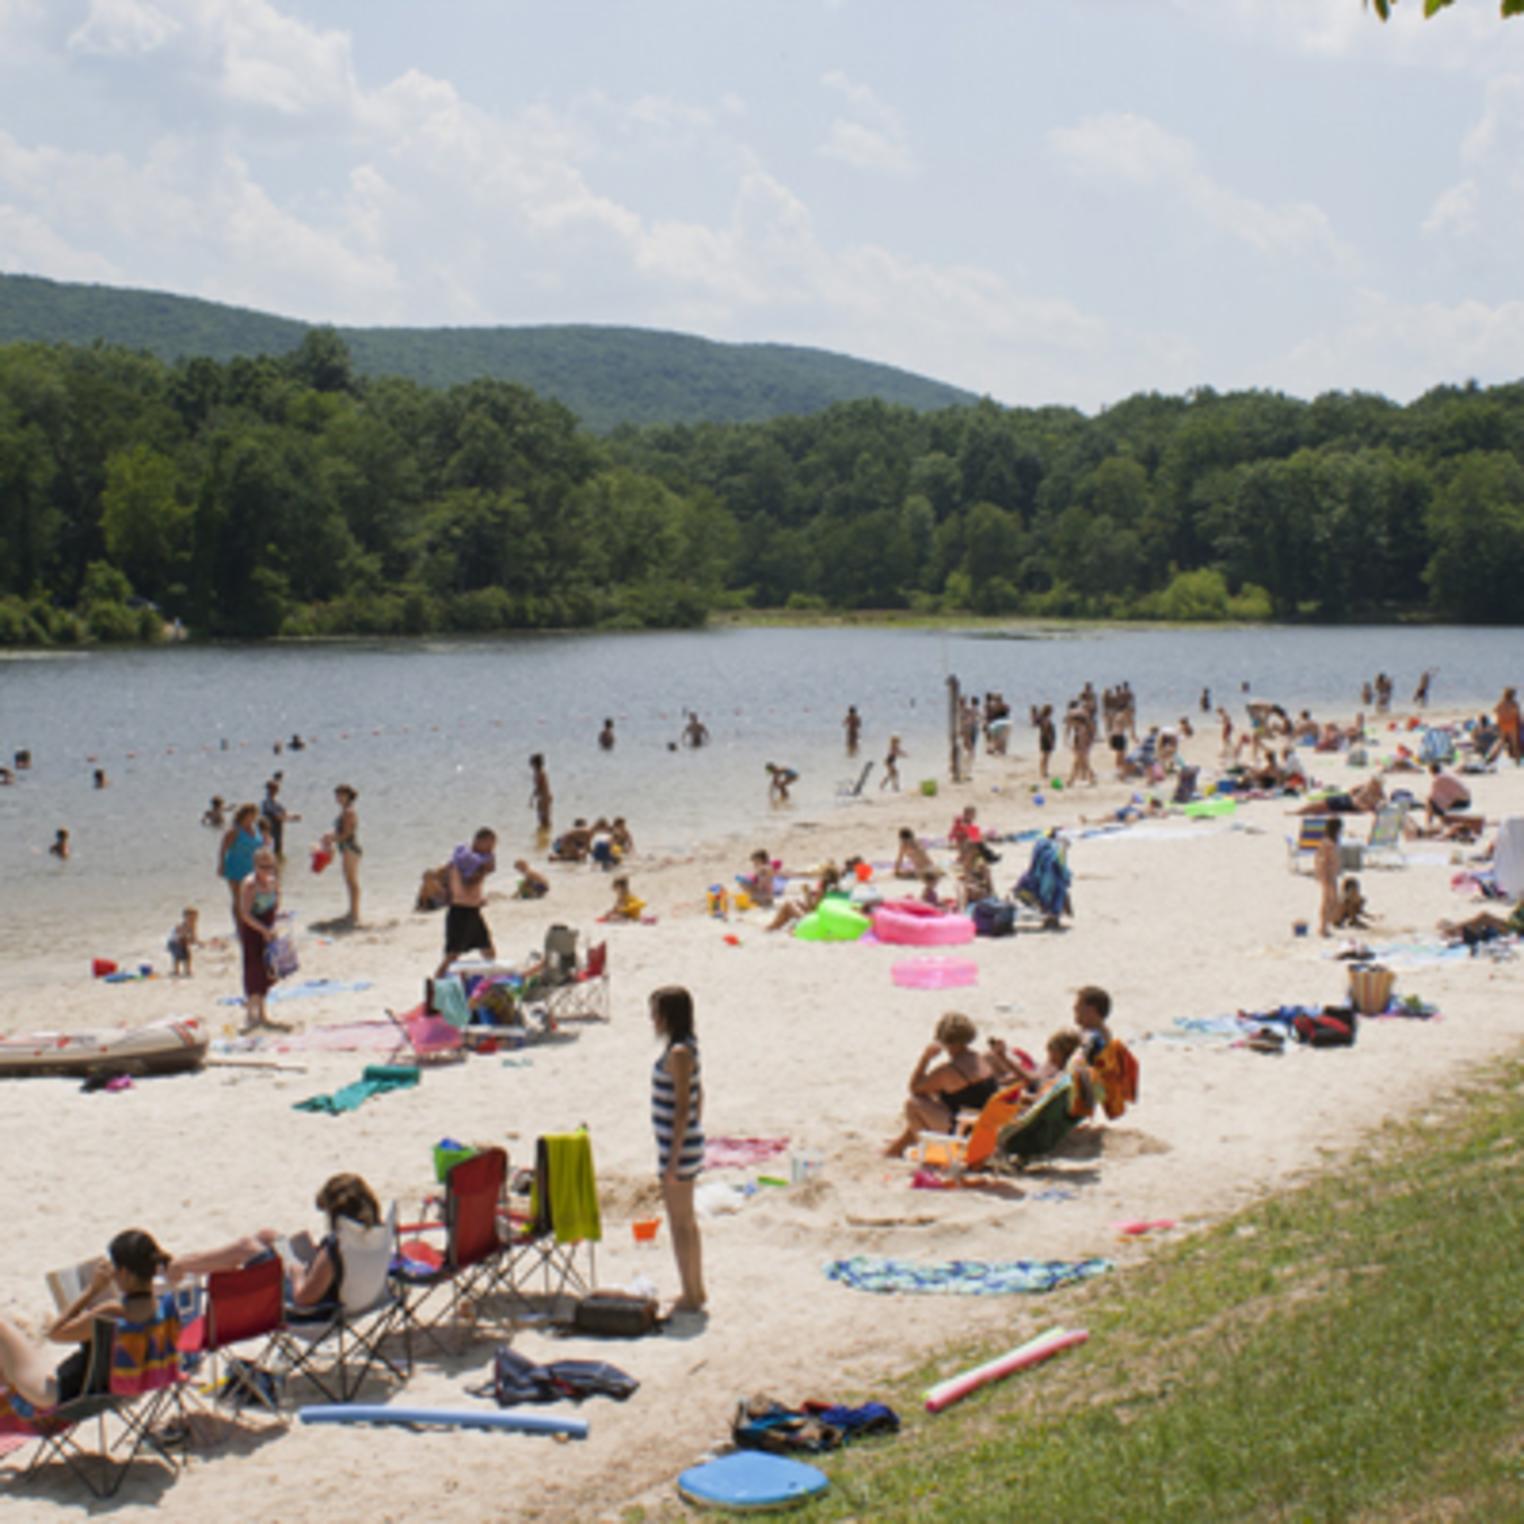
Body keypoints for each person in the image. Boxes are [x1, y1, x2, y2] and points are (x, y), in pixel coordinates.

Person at [0, 1230, 174, 1420]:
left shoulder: (112, 1313)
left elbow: (54, 1333)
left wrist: (92, 1290)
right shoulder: (165, 1304)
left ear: (124, 1272)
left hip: (64, 1397)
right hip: (121, 1391)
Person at [167, 1174, 382, 1323]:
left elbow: (303, 1299)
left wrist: (297, 1273)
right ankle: (185, 1265)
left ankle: (181, 1267)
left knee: (248, 1246)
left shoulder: (336, 1247)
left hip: (314, 1312)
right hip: (354, 1297)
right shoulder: (374, 1234)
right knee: (268, 1236)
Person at [650, 986, 705, 1315]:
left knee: (680, 1223)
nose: (653, 1020)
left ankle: (691, 1292)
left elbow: (684, 1107)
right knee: (686, 1222)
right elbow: (700, 1094)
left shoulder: (680, 1053)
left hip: (678, 1148)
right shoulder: (683, 1048)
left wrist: (673, 1157)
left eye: (656, 1012)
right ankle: (696, 1288)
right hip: (680, 1144)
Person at [884, 1012, 1001, 1158]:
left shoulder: (949, 1071)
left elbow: (914, 1088)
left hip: (966, 1131)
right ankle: (898, 1146)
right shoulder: (981, 1058)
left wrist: (925, 1058)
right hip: (987, 1129)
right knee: (935, 1100)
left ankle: (927, 1153)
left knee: (913, 1104)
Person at [237, 847, 287, 1031]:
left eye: (270, 866)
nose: (267, 870)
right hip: (253, 930)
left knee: (268, 971)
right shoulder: (250, 884)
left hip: (268, 928)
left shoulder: (274, 883)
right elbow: (245, 914)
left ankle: (264, 1012)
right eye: (262, 866)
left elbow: (276, 905)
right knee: (253, 970)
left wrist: (277, 923)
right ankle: (251, 1013)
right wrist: (263, 929)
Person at [437, 828, 496, 976]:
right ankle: (436, 985)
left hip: (473, 911)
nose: (491, 849)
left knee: (488, 951)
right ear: (478, 841)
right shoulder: (466, 860)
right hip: (460, 912)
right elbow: (469, 882)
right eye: (489, 845)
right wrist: (484, 869)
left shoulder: (479, 860)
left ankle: (488, 984)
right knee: (452, 956)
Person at [216, 801, 260, 922]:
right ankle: (239, 925)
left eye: (255, 815)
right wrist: (221, 865)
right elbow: (223, 849)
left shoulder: (255, 829)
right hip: (235, 867)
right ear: (243, 815)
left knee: (252, 897)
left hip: (252, 867)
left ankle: (250, 922)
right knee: (238, 899)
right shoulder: (234, 831)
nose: (253, 818)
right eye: (251, 815)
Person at [325, 784, 362, 924]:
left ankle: (354, 914)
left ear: (348, 796)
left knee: (352, 881)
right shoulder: (345, 811)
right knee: (349, 881)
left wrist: (331, 839)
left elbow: (346, 834)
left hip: (350, 848)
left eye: (341, 795)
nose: (338, 798)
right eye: (337, 795)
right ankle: (352, 912)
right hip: (347, 848)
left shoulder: (348, 812)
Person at [1316, 817, 1343, 938]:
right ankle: (1323, 927)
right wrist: (1324, 874)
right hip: (1328, 875)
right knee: (1328, 901)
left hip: (1331, 875)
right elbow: (1321, 860)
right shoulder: (1328, 844)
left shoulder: (1329, 842)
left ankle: (1326, 926)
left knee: (1332, 901)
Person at [260, 777, 299, 859]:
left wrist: (293, 816)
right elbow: (277, 816)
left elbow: (284, 813)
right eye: (273, 789)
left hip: (277, 829)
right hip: (269, 830)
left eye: (276, 789)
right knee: (270, 850)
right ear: (268, 789)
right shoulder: (266, 802)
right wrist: (291, 818)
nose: (275, 791)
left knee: (277, 850)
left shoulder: (276, 802)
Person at [1424, 763, 1472, 828]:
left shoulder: (1437, 780)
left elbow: (1432, 797)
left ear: (1431, 772)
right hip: (1467, 801)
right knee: (1437, 801)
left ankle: (1428, 824)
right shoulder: (1448, 775)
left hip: (1461, 802)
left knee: (1430, 801)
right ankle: (1442, 821)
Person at [167, 907, 201, 977]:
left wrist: (197, 942)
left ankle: (187, 970)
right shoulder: (180, 925)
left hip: (182, 942)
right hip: (173, 942)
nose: (192, 920)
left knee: (187, 956)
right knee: (177, 957)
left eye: (194, 919)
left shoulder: (193, 926)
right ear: (184, 918)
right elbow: (180, 937)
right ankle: (175, 970)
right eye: (190, 918)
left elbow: (193, 938)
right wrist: (189, 940)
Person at [529, 754, 553, 834]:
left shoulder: (539, 773)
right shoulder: (541, 772)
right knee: (544, 819)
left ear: (535, 763)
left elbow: (538, 787)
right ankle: (546, 835)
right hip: (545, 796)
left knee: (543, 819)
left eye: (531, 762)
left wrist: (531, 798)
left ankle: (545, 835)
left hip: (543, 797)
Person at [1496, 687, 1520, 764]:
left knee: (1501, 743)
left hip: (1503, 724)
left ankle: (1495, 759)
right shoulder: (1514, 703)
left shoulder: (1501, 703)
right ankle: (1517, 760)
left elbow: (1496, 711)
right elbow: (1517, 714)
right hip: (1512, 724)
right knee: (1515, 743)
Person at [1033, 704, 1056, 781]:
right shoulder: (1046, 720)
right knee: (1045, 756)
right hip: (1046, 739)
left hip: (1043, 739)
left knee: (1044, 756)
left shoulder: (1043, 719)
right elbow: (1047, 732)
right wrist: (1051, 741)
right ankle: (1043, 772)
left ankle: (1043, 771)